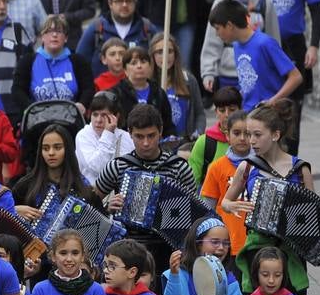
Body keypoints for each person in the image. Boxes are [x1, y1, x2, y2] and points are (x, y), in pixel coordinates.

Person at [221, 103, 320, 295]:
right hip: (258, 252)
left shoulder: (300, 169)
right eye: (249, 134)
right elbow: (225, 202)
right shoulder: (247, 167)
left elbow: (315, 217)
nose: (251, 141)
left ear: (275, 135)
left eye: (257, 135)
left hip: (291, 254)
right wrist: (230, 205)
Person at [94, 104, 196, 283]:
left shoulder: (179, 168)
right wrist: (107, 207)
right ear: (129, 133)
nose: (146, 143)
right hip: (128, 248)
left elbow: (194, 212)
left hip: (168, 248)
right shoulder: (118, 166)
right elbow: (91, 202)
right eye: (139, 136)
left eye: (151, 135)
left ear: (161, 131)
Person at [257, 0, 320, 147]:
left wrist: (313, 46)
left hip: (294, 45)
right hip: (266, 46)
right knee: (266, 105)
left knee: (292, 107)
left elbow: (317, 12)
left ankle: (291, 157)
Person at [207, 0, 302, 116]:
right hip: (248, 113)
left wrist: (273, 101)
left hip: (269, 114)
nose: (217, 34)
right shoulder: (236, 45)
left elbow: (296, 77)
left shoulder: (265, 43)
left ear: (229, 25)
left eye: (217, 28)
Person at [199, 0, 279, 95]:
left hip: (257, 73)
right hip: (227, 74)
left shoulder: (266, 4)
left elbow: (274, 41)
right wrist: (208, 73)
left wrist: (274, 72)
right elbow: (211, 42)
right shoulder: (220, 4)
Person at [12, 15, 94, 120]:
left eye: (59, 31)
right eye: (49, 31)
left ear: (66, 38)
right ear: (42, 37)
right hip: (37, 120)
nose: (54, 35)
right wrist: (30, 109)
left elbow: (88, 88)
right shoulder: (27, 61)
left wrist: (82, 104)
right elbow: (17, 90)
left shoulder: (78, 61)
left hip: (71, 120)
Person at [75, 0, 159, 77]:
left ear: (135, 3)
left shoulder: (147, 28)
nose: (124, 5)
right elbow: (79, 61)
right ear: (110, 4)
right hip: (102, 85)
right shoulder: (96, 28)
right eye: (119, 1)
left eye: (128, 1)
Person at [199, 112, 252, 256]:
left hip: (255, 243)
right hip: (226, 244)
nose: (242, 138)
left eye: (247, 133)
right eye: (237, 133)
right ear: (227, 136)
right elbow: (208, 209)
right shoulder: (216, 167)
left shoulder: (261, 166)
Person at [110, 46, 176, 137]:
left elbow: (168, 125)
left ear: (150, 66)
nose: (139, 66)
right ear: (125, 70)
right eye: (134, 63)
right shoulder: (116, 93)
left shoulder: (159, 92)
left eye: (143, 62)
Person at [150, 33, 206, 137]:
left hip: (184, 142)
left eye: (169, 51)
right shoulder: (147, 83)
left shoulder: (188, 80)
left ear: (175, 54)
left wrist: (198, 132)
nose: (165, 56)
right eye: (160, 52)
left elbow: (199, 113)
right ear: (152, 55)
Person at [188, 86, 244, 186]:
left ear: (240, 110)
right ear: (216, 112)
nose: (227, 115)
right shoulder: (204, 142)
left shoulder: (251, 140)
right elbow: (192, 183)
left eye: (232, 110)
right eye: (222, 110)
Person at [75, 92, 132, 188]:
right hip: (92, 193)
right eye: (95, 114)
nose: (98, 120)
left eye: (104, 115)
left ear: (116, 116)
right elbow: (98, 167)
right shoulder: (83, 135)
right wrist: (108, 134)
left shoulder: (126, 137)